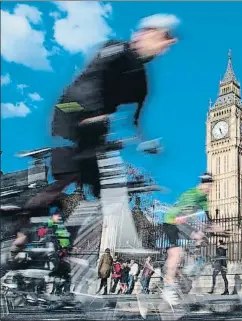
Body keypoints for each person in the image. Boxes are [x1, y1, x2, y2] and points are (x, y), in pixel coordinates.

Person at [14, 14, 180, 250]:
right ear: (145, 33)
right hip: (69, 113)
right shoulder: (115, 50)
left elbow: (133, 119)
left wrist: (143, 142)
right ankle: (21, 230)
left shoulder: (141, 82)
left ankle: (68, 247)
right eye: (163, 37)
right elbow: (91, 81)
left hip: (96, 128)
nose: (166, 45)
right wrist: (94, 114)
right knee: (69, 175)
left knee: (103, 187)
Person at [161, 173, 214, 305]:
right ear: (201, 184)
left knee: (201, 241)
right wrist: (193, 233)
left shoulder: (204, 199)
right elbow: (181, 218)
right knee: (176, 252)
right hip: (172, 220)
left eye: (211, 186)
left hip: (183, 222)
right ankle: (168, 287)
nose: (210, 188)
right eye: (208, 185)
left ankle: (188, 267)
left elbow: (210, 220)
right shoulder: (190, 195)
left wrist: (217, 229)